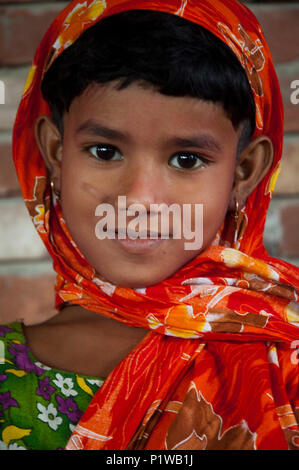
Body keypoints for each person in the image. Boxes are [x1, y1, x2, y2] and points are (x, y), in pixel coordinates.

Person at [0, 0, 298, 451]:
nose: (139, 199)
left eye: (186, 159)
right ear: (55, 152)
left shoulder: (287, 360)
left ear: (245, 171)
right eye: (104, 151)